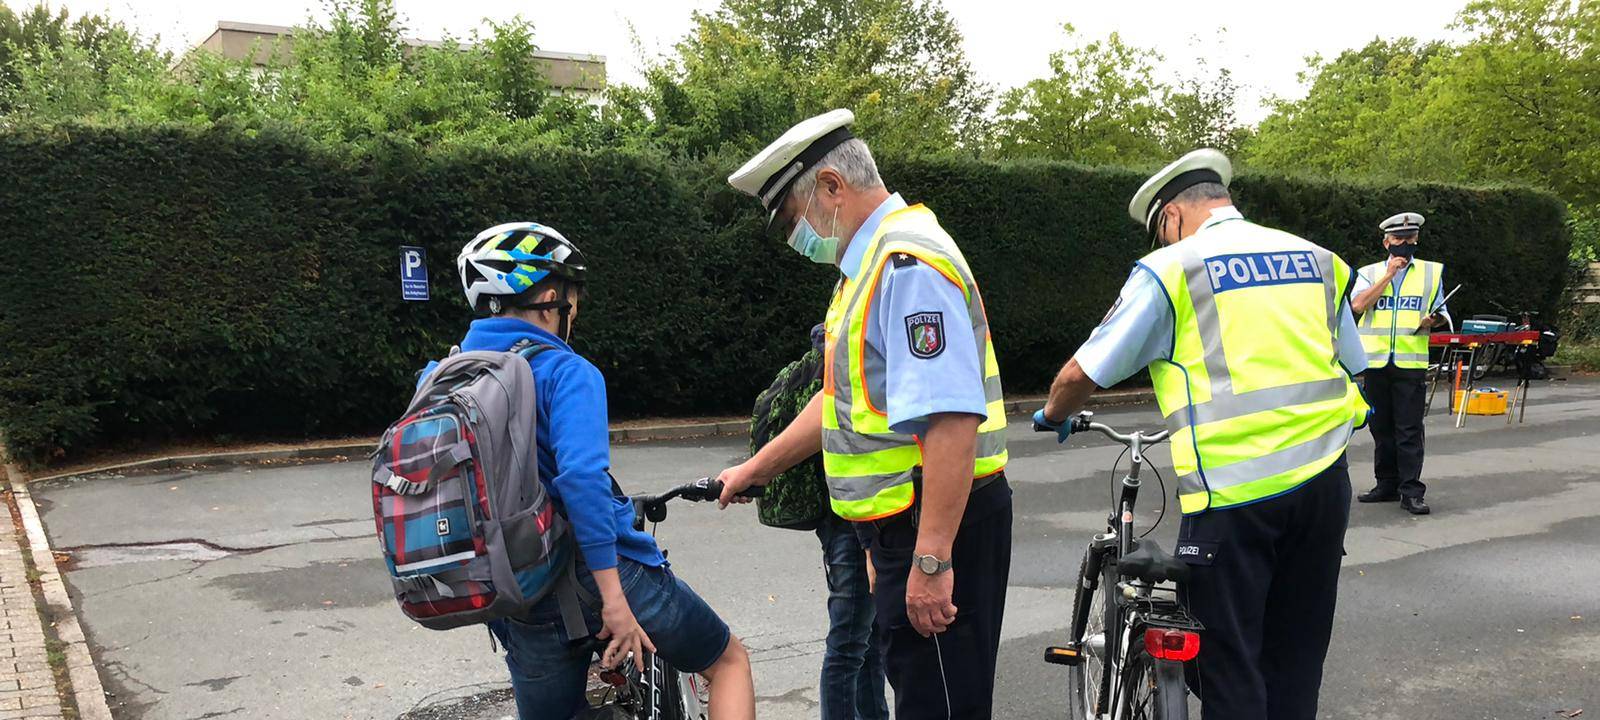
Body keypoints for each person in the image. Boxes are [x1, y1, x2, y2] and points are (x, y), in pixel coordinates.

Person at [1032, 149, 1370, 720]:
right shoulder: (1319, 260)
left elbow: (1080, 373)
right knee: (1296, 658)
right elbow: (1352, 364)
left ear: (1170, 216)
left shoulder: (1174, 268)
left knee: (1227, 667)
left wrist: (1053, 412)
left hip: (1234, 496)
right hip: (1323, 485)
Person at [717, 109, 1013, 719]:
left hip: (933, 526)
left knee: (939, 706)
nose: (795, 238)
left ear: (831, 186)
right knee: (923, 695)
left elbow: (951, 420)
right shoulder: (869, 267)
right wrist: (757, 469)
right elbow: (840, 398)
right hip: (902, 529)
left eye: (791, 221)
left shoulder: (907, 265)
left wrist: (930, 559)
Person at [436, 222, 755, 720]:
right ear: (550, 301)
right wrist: (614, 600)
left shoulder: (442, 379)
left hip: (516, 590)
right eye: (572, 297)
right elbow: (582, 482)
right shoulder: (565, 371)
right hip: (599, 574)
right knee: (729, 662)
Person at [749, 323, 888, 720]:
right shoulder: (844, 372)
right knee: (850, 644)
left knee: (864, 640)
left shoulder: (816, 367)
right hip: (852, 517)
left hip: (837, 517)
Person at [1349, 212, 1448, 515]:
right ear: (1386, 242)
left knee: (1408, 430)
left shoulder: (1431, 272)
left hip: (1410, 362)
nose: (1403, 244)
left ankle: (1411, 491)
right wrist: (1388, 275)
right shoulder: (1368, 272)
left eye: (1409, 238)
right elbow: (1358, 305)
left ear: (1416, 239)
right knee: (1381, 429)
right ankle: (1386, 484)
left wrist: (1434, 320)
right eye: (1397, 239)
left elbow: (1442, 313)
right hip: (1376, 362)